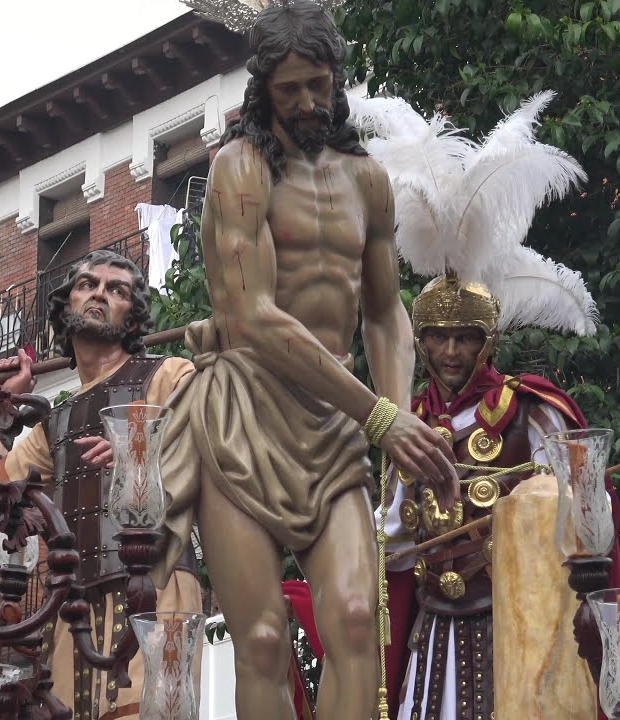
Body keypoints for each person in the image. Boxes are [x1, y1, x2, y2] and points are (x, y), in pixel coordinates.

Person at [151, 4, 460, 720]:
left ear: (337, 79)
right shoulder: (240, 169)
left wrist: (400, 421)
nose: (307, 103)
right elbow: (252, 318)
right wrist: (381, 414)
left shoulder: (366, 179)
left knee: (356, 618)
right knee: (261, 639)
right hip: (242, 418)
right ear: (264, 87)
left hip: (335, 422)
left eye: (318, 85)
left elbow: (385, 313)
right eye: (289, 89)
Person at [381, 276, 620, 720]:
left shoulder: (529, 409)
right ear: (421, 341)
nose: (450, 352)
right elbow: (392, 544)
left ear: (487, 341)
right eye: (438, 337)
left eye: (464, 338)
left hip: (514, 624)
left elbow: (586, 516)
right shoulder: (409, 423)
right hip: (431, 628)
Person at [0, 249, 203, 720]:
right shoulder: (54, 421)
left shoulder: (167, 375)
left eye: (118, 289)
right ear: (67, 306)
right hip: (76, 603)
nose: (101, 293)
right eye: (88, 284)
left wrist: (139, 447)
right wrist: (7, 404)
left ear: (133, 317)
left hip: (158, 583)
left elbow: (205, 441)